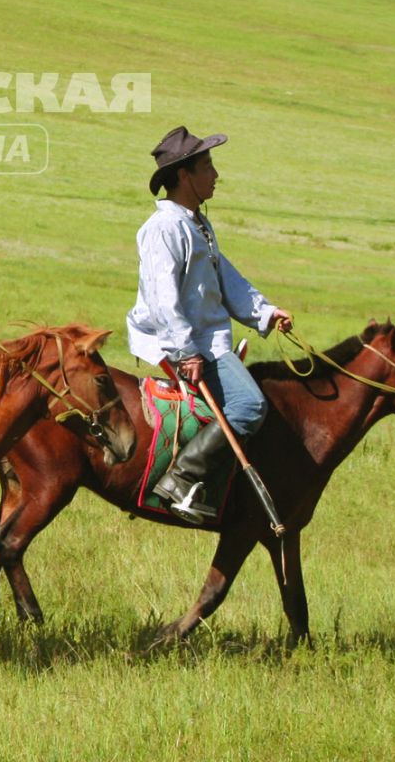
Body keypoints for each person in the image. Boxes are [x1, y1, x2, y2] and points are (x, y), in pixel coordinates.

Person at [126, 126, 293, 522]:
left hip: (205, 339)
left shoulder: (196, 223)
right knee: (249, 405)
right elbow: (162, 297)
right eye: (208, 166)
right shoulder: (163, 229)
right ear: (184, 176)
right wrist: (186, 351)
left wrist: (265, 312)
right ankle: (181, 478)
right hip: (185, 341)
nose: (216, 175)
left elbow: (224, 278)